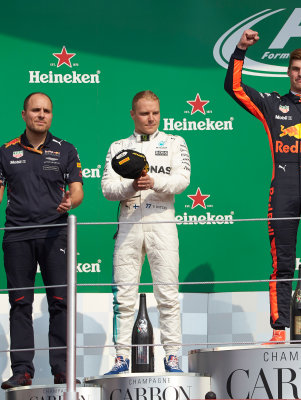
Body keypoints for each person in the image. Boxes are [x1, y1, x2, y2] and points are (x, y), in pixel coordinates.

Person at [224, 29, 301, 344]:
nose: (300, 74)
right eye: (295, 69)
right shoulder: (272, 104)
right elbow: (234, 87)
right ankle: (279, 329)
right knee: (281, 261)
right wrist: (240, 50)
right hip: (281, 192)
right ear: (288, 72)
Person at [101, 90, 191, 373]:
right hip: (128, 224)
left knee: (167, 294)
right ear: (133, 114)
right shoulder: (118, 146)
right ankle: (121, 358)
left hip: (162, 223)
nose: (150, 118)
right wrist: (131, 187)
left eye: (155, 113)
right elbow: (107, 189)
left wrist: (153, 182)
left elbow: (182, 180)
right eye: (144, 113)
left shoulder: (175, 142)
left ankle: (173, 356)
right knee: (125, 297)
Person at [0, 92, 84, 388]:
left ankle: (63, 368)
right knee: (20, 304)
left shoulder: (65, 150)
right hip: (17, 237)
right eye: (35, 110)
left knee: (60, 302)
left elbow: (77, 191)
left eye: (46, 110)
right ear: (23, 114)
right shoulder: (6, 151)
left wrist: (69, 202)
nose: (41, 115)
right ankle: (22, 370)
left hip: (55, 235)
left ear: (51, 115)